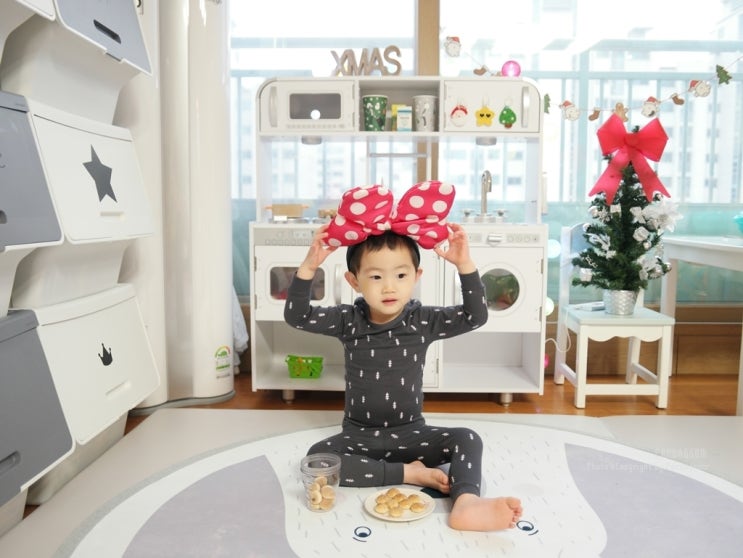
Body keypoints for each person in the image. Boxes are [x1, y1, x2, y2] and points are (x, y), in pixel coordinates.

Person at [284, 183, 522, 531]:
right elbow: (298, 316)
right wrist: (309, 265)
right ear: (354, 281)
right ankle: (409, 474)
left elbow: (475, 316)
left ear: (416, 277)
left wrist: (465, 264)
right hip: (360, 437)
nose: (389, 287)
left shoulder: (423, 320)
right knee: (317, 460)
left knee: (468, 438)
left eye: (400, 275)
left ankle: (466, 503)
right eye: (375, 277)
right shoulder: (349, 320)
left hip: (412, 434)